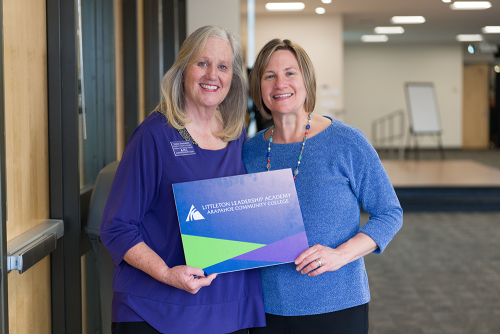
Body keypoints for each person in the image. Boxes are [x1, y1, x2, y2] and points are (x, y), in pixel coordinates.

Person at [100, 26, 266, 334]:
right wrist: (165, 273)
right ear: (183, 70)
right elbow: (116, 227)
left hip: (229, 309)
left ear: (233, 77)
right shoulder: (154, 135)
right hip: (156, 309)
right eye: (202, 63)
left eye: (223, 66)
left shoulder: (237, 135)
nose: (212, 75)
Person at [242, 38, 403, 334]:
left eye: (290, 73)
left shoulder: (346, 141)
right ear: (259, 87)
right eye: (269, 76)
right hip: (267, 309)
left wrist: (340, 254)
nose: (280, 84)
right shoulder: (249, 151)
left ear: (307, 80)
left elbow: (389, 213)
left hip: (337, 305)